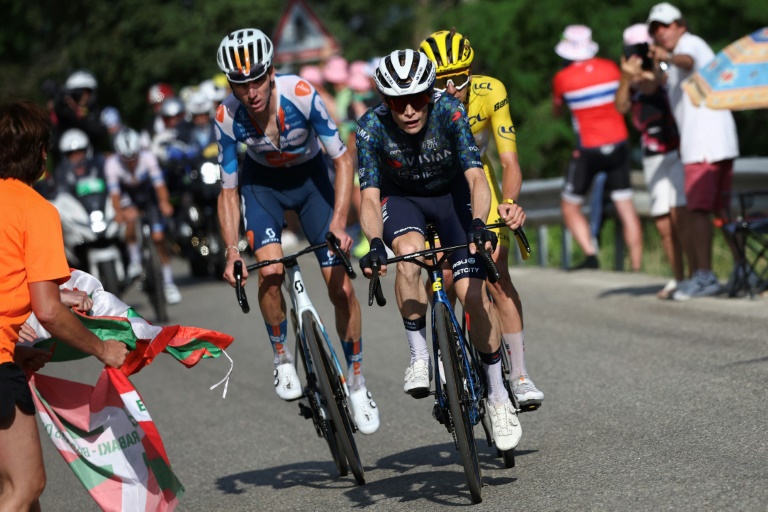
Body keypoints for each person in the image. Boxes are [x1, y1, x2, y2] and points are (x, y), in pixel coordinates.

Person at [214, 28, 379, 434]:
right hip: (262, 187)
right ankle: (282, 357)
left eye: (256, 79)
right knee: (270, 272)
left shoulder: (302, 93)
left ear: (271, 73)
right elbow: (228, 191)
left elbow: (342, 161)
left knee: (340, 287)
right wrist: (232, 251)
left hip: (312, 184)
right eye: (240, 84)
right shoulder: (226, 116)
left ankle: (356, 381)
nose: (250, 92)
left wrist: (340, 224)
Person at [356, 49, 523, 450]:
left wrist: (479, 223)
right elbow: (369, 196)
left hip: (452, 197)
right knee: (409, 256)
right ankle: (419, 355)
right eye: (399, 102)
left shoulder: (450, 111)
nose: (410, 110)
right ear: (385, 99)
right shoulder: (370, 127)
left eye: (418, 99)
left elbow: (476, 176)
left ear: (430, 94)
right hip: (403, 200)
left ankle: (499, 396)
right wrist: (375, 243)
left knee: (471, 293)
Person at [0, 100, 128, 511]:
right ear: (40, 153)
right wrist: (103, 349)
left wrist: (17, 349)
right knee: (25, 487)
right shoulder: (34, 209)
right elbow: (49, 311)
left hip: (7, 354)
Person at [419, 29, 544, 408]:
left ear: (471, 71)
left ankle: (520, 375)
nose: (452, 87)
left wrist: (509, 201)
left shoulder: (491, 91)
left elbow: (508, 160)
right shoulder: (418, 105)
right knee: (441, 275)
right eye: (441, 81)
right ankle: (447, 358)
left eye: (460, 77)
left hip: (481, 187)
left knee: (496, 275)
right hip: (436, 191)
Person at [647, 2, 740, 300]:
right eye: (655, 29)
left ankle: (704, 276)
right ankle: (742, 267)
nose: (661, 33)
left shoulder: (690, 44)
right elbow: (662, 80)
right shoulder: (674, 54)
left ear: (681, 25)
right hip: (717, 141)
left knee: (698, 210)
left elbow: (687, 61)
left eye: (666, 25)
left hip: (703, 144)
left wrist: (667, 57)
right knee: (721, 209)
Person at [552, 25, 643, 271]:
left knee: (570, 206)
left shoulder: (562, 78)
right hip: (619, 144)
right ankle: (636, 267)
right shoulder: (612, 68)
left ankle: (591, 255)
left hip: (588, 148)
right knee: (626, 206)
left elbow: (557, 110)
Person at [615, 23, 688, 299]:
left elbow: (659, 84)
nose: (638, 55)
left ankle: (695, 274)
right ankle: (678, 277)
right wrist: (624, 78)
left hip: (678, 151)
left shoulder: (666, 70)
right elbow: (620, 107)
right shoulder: (631, 81)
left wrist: (657, 62)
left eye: (642, 49)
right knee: (663, 223)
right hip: (652, 155)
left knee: (682, 217)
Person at [105, 128, 182, 304]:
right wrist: (119, 212)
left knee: (158, 236)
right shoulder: (112, 164)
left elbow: (159, 185)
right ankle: (135, 261)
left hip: (149, 197)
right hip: (128, 197)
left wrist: (164, 202)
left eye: (134, 158)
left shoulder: (148, 157)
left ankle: (169, 283)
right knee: (129, 219)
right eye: (127, 159)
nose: (131, 163)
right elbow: (114, 194)